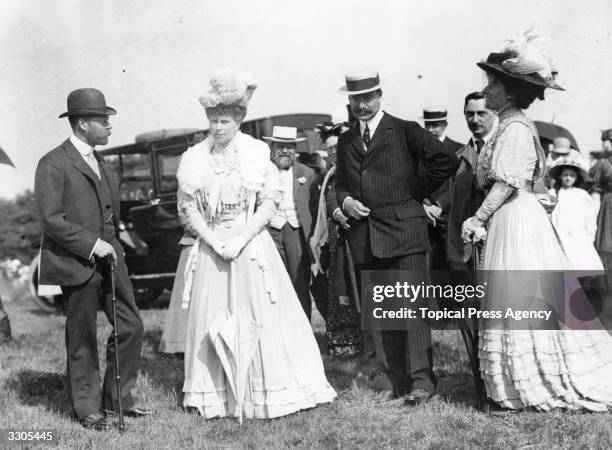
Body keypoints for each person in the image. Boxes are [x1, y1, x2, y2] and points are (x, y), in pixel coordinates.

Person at [462, 31, 612, 412]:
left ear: (510, 90)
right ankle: (516, 379)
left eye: (494, 82)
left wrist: (477, 219)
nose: (488, 88)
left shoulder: (514, 127)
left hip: (516, 218)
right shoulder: (511, 124)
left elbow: (507, 183)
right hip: (514, 217)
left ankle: (538, 377)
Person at [177, 70, 336, 419]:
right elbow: (188, 208)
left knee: (261, 312)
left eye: (224, 121)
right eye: (213, 121)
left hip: (249, 244)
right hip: (213, 244)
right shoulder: (195, 157)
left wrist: (241, 237)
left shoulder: (255, 153)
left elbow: (268, 203)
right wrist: (214, 241)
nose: (217, 128)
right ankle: (216, 394)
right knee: (212, 314)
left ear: (238, 122)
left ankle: (266, 386)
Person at [335, 69, 459, 404]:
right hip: (367, 236)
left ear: (379, 96)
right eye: (355, 99)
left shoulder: (405, 130)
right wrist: (345, 201)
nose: (361, 105)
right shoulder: (346, 139)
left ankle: (422, 383)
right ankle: (396, 380)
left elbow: (445, 160)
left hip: (405, 233)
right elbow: (341, 183)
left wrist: (414, 193)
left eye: (367, 98)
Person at [34, 88, 149, 430]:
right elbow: (51, 220)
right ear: (83, 124)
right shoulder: (53, 163)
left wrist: (117, 241)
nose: (109, 126)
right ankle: (88, 408)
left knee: (132, 325)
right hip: (76, 261)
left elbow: (109, 212)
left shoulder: (102, 161)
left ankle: (118, 398)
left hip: (113, 259)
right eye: (103, 120)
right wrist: (92, 244)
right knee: (82, 335)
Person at [310, 121, 362, 356]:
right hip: (335, 238)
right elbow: (327, 201)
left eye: (336, 147)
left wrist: (340, 213)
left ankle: (361, 340)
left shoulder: (352, 168)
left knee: (354, 286)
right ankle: (344, 342)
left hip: (352, 234)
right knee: (339, 286)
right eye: (329, 149)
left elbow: (337, 198)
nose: (332, 152)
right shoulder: (328, 173)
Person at [265, 126, 323, 321]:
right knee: (270, 283)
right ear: (271, 147)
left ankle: (302, 334)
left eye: (289, 147)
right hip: (268, 232)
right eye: (280, 146)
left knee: (298, 282)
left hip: (296, 232)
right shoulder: (262, 170)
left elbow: (315, 208)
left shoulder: (306, 173)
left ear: (295, 150)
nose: (284, 151)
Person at [444, 92, 497, 271]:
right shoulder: (458, 157)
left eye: (481, 113)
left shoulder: (504, 152)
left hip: (497, 246)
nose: (474, 120)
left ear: (495, 113)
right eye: (469, 114)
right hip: (463, 252)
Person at [421, 107, 463, 270]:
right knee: (429, 270)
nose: (431, 130)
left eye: (436, 125)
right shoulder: (419, 151)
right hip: (425, 219)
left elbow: (461, 184)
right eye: (428, 125)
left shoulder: (459, 149)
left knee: (454, 268)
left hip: (450, 219)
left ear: (445, 124)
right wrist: (425, 204)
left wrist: (439, 205)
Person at [549, 156, 604, 271]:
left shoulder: (582, 195)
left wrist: (590, 236)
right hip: (559, 235)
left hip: (579, 237)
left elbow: (590, 218)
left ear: (576, 177)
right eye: (565, 175)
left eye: (572, 175)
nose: (568, 178)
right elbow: (549, 216)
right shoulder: (553, 193)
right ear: (560, 176)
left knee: (579, 266)